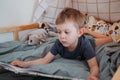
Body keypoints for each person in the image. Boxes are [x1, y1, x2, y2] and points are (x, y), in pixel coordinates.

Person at [11, 7, 100, 80]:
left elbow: (94, 66)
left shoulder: (86, 44)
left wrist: (92, 75)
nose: (62, 36)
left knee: (108, 39)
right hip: (79, 37)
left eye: (66, 32)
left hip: (90, 40)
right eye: (59, 32)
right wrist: (24, 64)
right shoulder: (59, 43)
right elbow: (44, 60)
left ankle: (88, 31)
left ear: (80, 32)